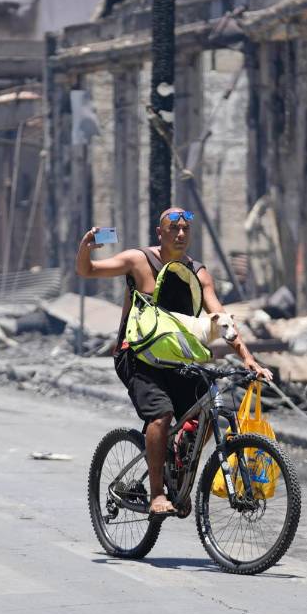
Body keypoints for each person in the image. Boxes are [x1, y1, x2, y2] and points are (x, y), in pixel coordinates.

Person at [75, 207, 272, 516]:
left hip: (176, 358)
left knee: (210, 406)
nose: (180, 234)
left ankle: (179, 466)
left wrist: (248, 359)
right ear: (160, 233)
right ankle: (156, 495)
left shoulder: (198, 272)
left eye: (185, 229)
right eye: (173, 229)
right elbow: (88, 271)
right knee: (161, 414)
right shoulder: (139, 260)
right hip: (137, 356)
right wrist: (86, 246)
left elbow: (220, 318)